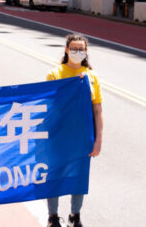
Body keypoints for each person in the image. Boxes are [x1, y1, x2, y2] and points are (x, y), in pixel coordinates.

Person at [45, 34, 103, 227]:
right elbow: (49, 105)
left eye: (81, 49)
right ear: (66, 50)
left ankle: (74, 216)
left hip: (82, 136)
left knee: (78, 176)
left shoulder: (91, 76)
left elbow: (97, 110)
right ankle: (52, 216)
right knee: (55, 174)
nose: (78, 52)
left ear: (86, 52)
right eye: (74, 49)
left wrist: (98, 140)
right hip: (59, 136)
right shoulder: (55, 73)